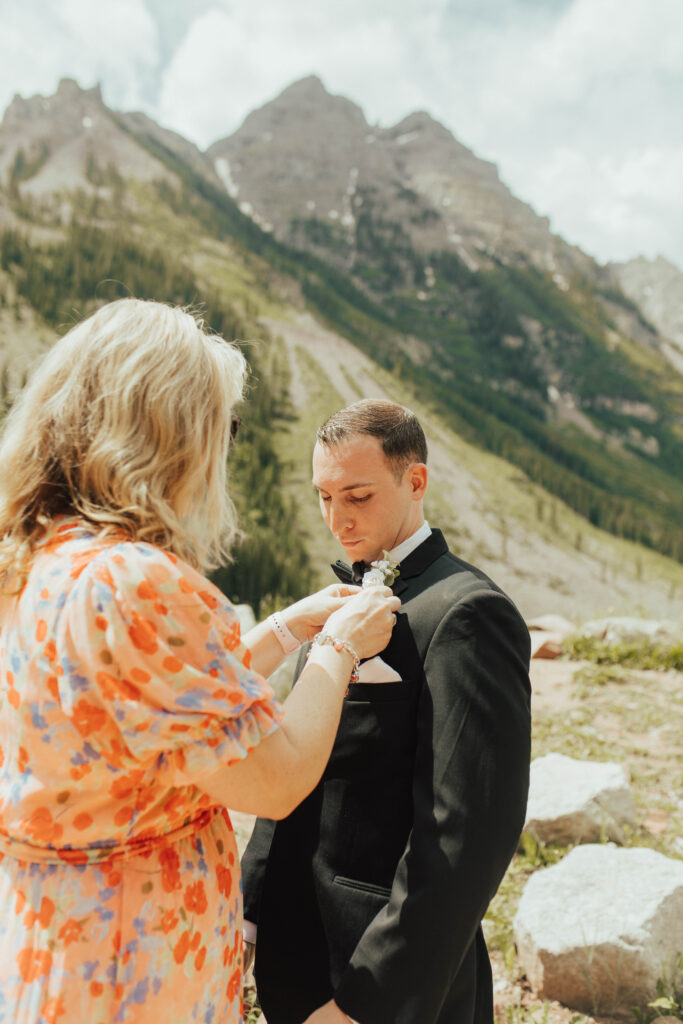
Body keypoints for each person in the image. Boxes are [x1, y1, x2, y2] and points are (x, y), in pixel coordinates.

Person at [0, 300, 400, 1024]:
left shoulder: (36, 560)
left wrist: (279, 630)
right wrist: (339, 645)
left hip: (53, 941)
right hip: (132, 962)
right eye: (224, 425)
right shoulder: (133, 581)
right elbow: (273, 777)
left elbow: (140, 714)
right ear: (171, 433)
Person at [242, 399, 532, 1024]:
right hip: (297, 955)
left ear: (416, 481)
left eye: (358, 496)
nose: (337, 520)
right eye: (323, 497)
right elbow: (296, 752)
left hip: (385, 977)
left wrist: (367, 1003)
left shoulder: (467, 613)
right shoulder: (336, 604)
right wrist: (250, 908)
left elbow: (465, 834)